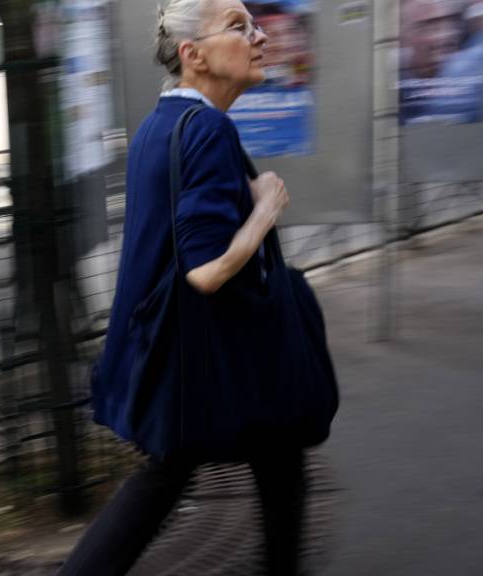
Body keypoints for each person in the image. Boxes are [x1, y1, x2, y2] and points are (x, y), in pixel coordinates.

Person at [58, 1, 309, 574]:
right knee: (179, 472)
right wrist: (265, 207)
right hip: (196, 351)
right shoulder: (210, 130)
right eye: (239, 26)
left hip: (170, 344)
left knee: (274, 451)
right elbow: (206, 269)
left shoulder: (159, 124)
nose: (260, 36)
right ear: (193, 54)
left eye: (255, 23)